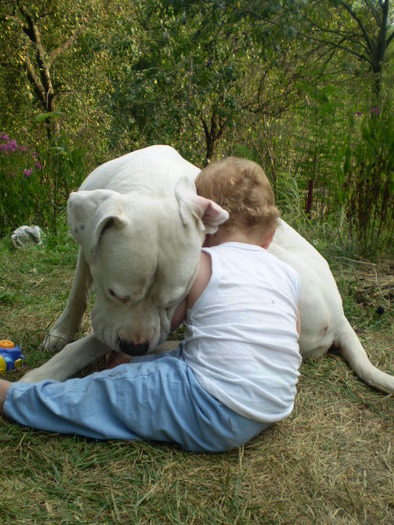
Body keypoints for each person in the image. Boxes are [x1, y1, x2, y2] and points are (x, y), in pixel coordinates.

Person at [0, 157, 301, 453]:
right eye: (121, 295)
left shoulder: (204, 262)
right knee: (174, 359)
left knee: (111, 393)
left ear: (205, 222)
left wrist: (124, 354)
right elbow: (293, 333)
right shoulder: (287, 272)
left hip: (211, 406)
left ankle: (16, 399)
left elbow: (169, 328)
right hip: (275, 405)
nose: (139, 339)